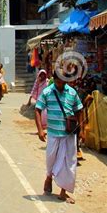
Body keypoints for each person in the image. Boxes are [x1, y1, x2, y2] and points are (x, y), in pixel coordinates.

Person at [35, 69, 83, 204]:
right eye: (57, 81)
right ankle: (49, 177)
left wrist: (82, 130)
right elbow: (38, 109)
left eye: (62, 82)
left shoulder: (72, 93)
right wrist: (40, 130)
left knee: (69, 163)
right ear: (54, 80)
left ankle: (63, 191)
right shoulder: (47, 92)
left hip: (69, 134)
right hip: (53, 134)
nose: (60, 85)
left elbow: (79, 110)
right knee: (51, 159)